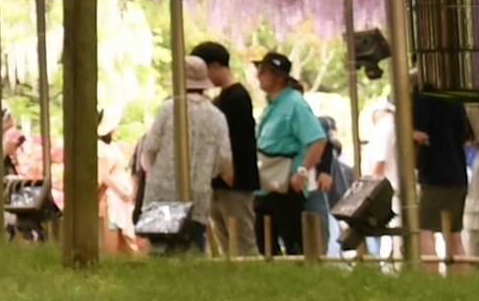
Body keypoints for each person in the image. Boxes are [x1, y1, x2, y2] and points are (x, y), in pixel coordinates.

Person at [126, 75, 229, 254]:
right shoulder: (217, 116)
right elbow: (224, 158)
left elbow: (150, 148)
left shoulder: (168, 108)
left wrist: (152, 171)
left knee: (160, 252)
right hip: (198, 194)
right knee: (193, 249)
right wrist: (206, 173)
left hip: (162, 195)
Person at [248, 53, 328, 258]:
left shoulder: (295, 104)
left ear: (279, 76)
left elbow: (318, 140)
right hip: (266, 184)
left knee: (294, 245)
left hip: (286, 184)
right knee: (264, 245)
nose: (258, 75)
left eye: (264, 71)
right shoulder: (271, 105)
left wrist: (301, 172)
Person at [192, 45, 257, 255]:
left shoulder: (237, 97)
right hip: (218, 181)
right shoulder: (219, 99)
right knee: (224, 240)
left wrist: (226, 168)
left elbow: (241, 142)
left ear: (216, 66)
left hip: (235, 181)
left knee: (242, 240)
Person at [410, 88, 472, 265]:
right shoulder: (454, 94)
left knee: (423, 231)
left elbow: (419, 134)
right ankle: (459, 280)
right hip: (458, 172)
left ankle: (431, 281)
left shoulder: (423, 94)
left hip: (436, 174)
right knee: (454, 234)